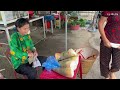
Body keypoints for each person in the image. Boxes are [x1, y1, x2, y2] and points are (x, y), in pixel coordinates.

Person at [98, 11, 120, 79]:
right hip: (107, 38)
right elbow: (100, 24)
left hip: (119, 43)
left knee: (117, 64)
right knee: (104, 62)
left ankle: (112, 72)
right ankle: (106, 76)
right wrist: (105, 40)